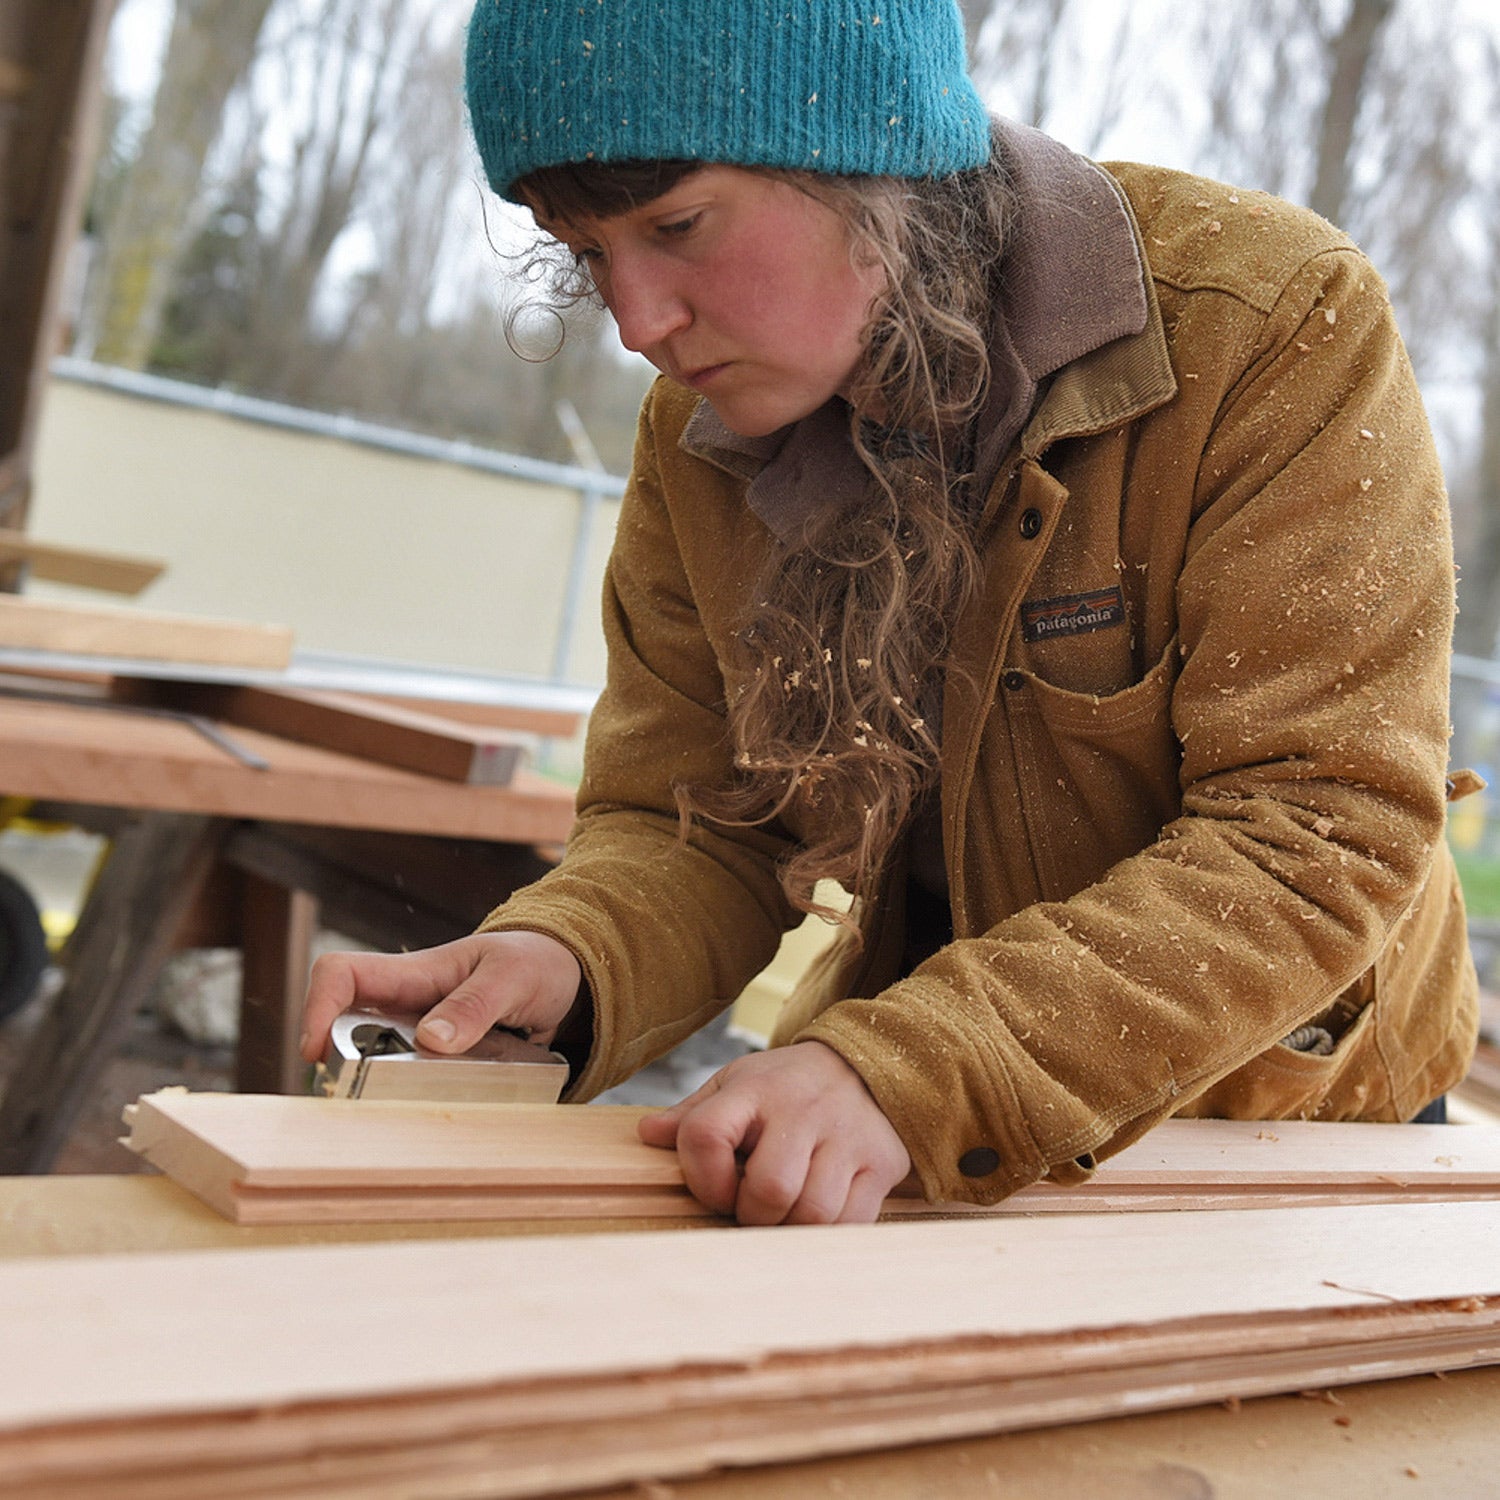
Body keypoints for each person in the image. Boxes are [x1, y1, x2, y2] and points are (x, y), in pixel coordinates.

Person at [300, 0, 1480, 1225]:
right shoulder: (700, 437)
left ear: (873, 153)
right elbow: (698, 819)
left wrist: (912, 1070)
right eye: (589, 255)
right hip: (907, 1110)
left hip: (1281, 1140)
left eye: (678, 226)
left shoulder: (1270, 324)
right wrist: (567, 958)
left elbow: (1318, 825)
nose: (640, 323)